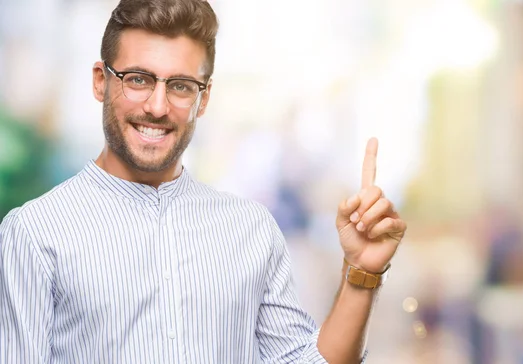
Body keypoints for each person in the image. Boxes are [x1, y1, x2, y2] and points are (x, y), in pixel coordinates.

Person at [0, 0, 407, 363]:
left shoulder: (251, 228)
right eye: (138, 79)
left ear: (204, 98)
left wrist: (360, 273)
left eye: (179, 86)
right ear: (100, 81)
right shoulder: (35, 233)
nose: (157, 107)